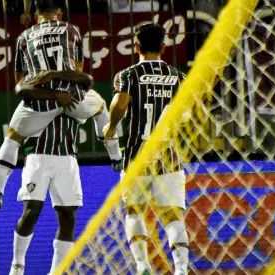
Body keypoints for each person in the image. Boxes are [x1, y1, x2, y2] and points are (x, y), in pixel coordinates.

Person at [0, 0, 122, 211]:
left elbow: (20, 80)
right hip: (74, 98)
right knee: (101, 109)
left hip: (40, 101)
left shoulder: (23, 38)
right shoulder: (72, 30)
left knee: (12, 138)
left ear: (36, 16)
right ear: (60, 14)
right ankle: (117, 158)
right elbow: (79, 70)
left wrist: (49, 86)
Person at [103, 22, 189, 275]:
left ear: (136, 46)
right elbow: (186, 114)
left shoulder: (128, 75)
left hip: (136, 158)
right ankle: (181, 269)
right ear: (163, 47)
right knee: (173, 217)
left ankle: (142, 265)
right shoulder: (179, 77)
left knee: (134, 211)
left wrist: (111, 126)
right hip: (169, 159)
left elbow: (120, 104)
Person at [7, 73, 85, 275]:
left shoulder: (76, 84)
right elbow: (20, 89)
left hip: (67, 156)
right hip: (38, 155)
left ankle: (57, 271)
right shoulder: (35, 82)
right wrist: (56, 94)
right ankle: (17, 265)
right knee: (31, 211)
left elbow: (88, 84)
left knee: (68, 217)